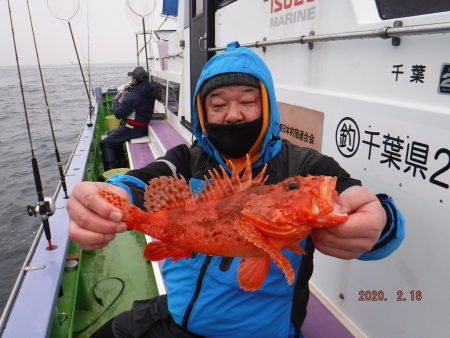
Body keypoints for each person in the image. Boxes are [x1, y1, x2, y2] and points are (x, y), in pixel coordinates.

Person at [67, 41, 405, 338]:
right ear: (202, 113)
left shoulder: (304, 168)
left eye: (247, 101)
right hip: (176, 316)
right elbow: (144, 181)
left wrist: (381, 222)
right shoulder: (187, 160)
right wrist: (113, 197)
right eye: (217, 105)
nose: (233, 115)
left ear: (268, 107)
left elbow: (355, 200)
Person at [101, 66, 160, 171]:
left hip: (133, 129)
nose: (131, 80)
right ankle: (121, 162)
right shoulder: (150, 91)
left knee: (105, 143)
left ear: (135, 80)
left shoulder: (132, 95)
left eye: (132, 78)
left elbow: (118, 114)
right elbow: (139, 100)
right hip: (142, 127)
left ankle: (111, 171)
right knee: (111, 134)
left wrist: (115, 101)